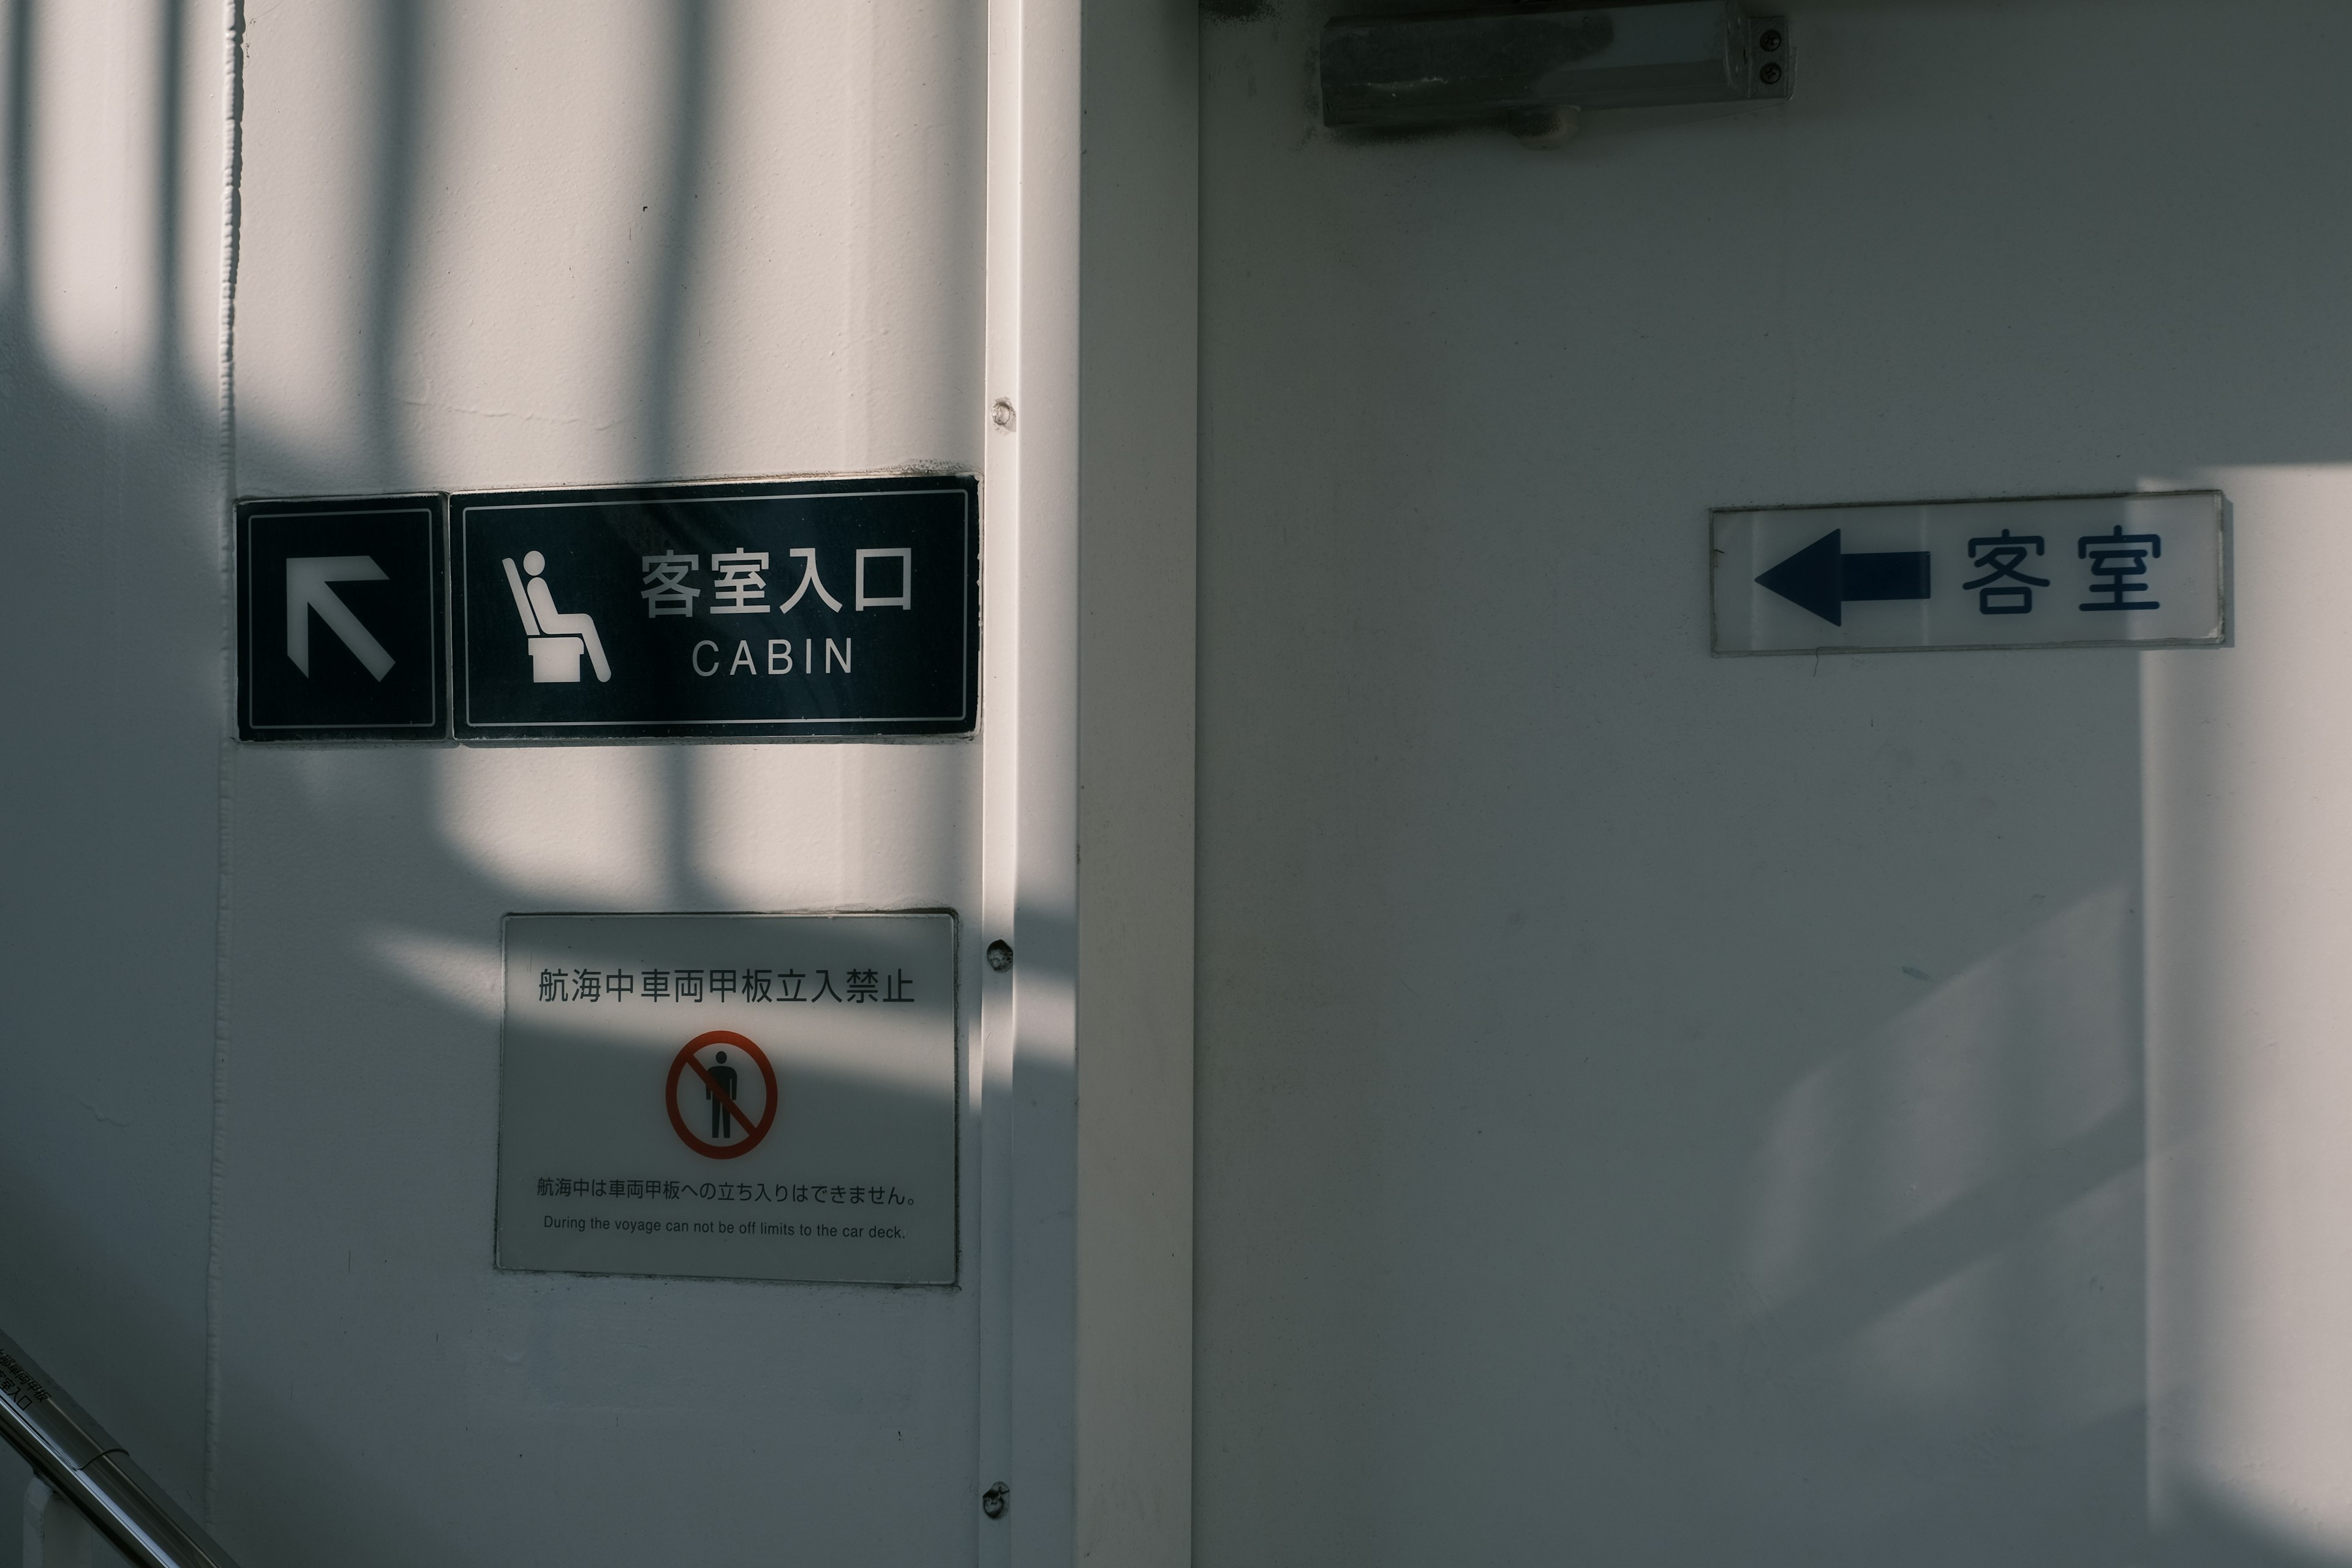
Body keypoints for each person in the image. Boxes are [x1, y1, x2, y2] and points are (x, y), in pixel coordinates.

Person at [707, 1049, 740, 1139]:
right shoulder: (730, 1070)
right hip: (725, 1097)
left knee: (716, 1115)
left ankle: (717, 1135)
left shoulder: (712, 1070)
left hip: (719, 1097)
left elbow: (708, 1083)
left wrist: (708, 1096)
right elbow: (734, 1083)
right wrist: (734, 1096)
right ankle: (725, 1136)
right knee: (724, 1116)